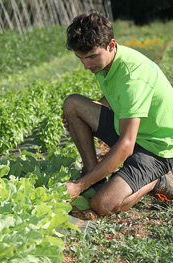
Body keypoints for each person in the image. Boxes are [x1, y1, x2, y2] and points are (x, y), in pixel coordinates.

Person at [62, 11, 173, 216]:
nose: (86, 66)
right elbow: (114, 100)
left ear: (111, 45)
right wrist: (82, 116)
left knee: (103, 204)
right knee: (73, 105)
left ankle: (157, 182)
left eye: (92, 57)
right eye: (81, 59)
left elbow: (126, 145)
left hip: (156, 148)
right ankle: (94, 177)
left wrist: (77, 186)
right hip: (131, 129)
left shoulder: (132, 78)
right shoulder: (107, 63)